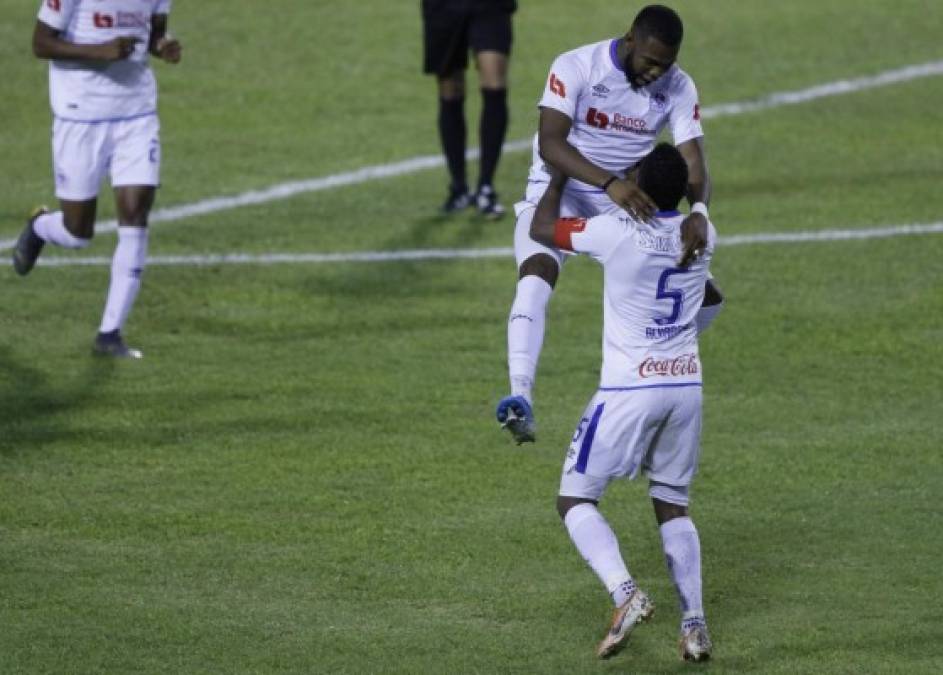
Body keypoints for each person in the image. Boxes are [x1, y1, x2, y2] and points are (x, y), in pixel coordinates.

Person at [496, 4, 722, 443]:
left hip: (630, 200)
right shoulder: (577, 65)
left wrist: (699, 213)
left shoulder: (678, 85)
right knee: (536, 273)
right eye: (650, 61)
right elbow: (550, 143)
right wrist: (608, 182)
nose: (657, 71)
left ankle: (648, 363)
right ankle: (519, 396)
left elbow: (693, 160)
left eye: (667, 64)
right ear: (630, 39)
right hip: (561, 189)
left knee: (708, 298)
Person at [529, 143, 716, 661]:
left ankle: (625, 593)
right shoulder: (700, 233)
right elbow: (713, 299)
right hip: (685, 386)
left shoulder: (615, 232)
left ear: (637, 183)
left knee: (574, 499)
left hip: (629, 390)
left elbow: (544, 229)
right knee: (673, 503)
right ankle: (694, 624)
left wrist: (557, 176)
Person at [12, 0, 182, 359]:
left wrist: (163, 45)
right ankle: (41, 227)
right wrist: (100, 51)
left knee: (135, 214)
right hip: (80, 116)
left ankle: (110, 334)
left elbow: (153, 31)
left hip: (137, 115)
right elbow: (41, 43)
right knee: (78, 233)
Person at [421, 0, 516, 218]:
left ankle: (486, 186)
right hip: (443, 7)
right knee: (450, 89)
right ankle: (458, 188)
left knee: (495, 84)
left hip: (488, 7)